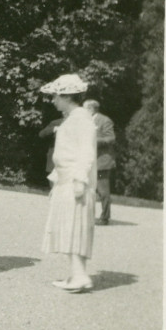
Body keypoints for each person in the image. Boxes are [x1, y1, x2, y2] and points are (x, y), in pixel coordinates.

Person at [40, 74, 98, 293]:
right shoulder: (74, 118)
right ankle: (77, 274)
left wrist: (80, 180)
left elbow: (85, 152)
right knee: (70, 228)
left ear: (66, 96)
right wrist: (57, 181)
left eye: (56, 96)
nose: (53, 100)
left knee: (73, 227)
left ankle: (80, 276)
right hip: (66, 179)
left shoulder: (81, 119)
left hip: (75, 180)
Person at [84, 99, 116, 225]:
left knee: (103, 191)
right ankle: (87, 215)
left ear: (91, 109)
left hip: (102, 161)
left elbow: (111, 138)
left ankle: (104, 217)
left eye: (84, 108)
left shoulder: (105, 120)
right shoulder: (85, 120)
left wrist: (93, 139)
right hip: (88, 160)